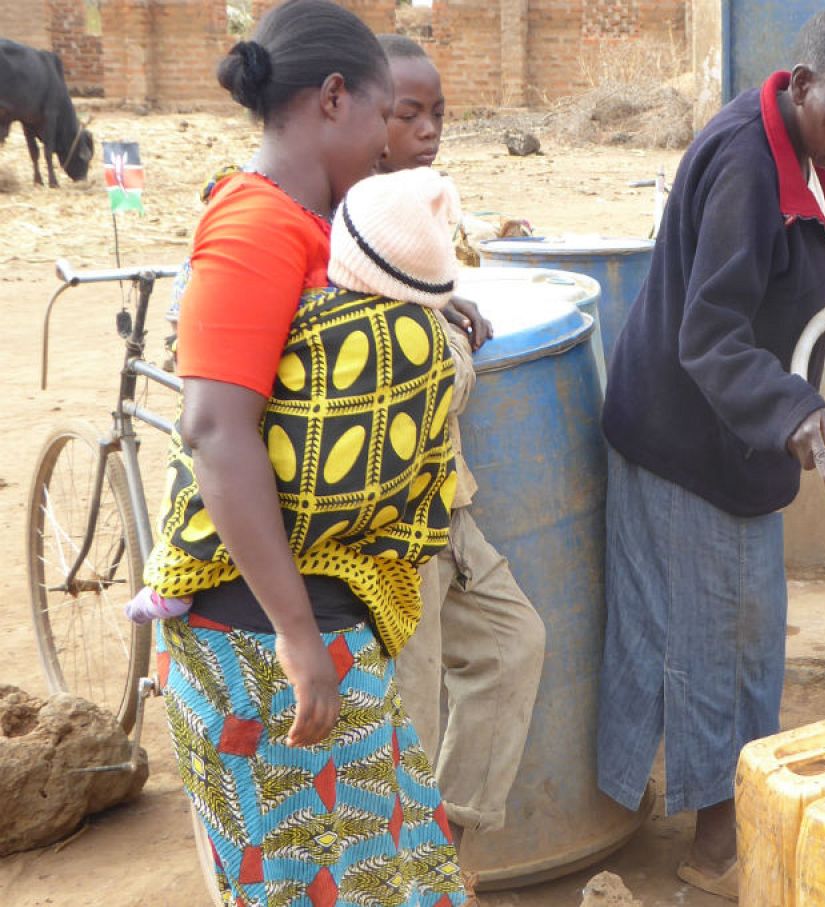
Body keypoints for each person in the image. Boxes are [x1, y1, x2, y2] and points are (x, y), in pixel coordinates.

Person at [144, 3, 468, 904]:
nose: (386, 142)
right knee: (318, 882)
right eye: (380, 115)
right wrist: (296, 635)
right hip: (253, 636)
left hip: (321, 616)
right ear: (333, 99)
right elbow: (216, 429)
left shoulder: (320, 225)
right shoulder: (255, 227)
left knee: (392, 871)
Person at [595, 7, 825, 899]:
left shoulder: (803, 154)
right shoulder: (743, 165)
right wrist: (789, 408)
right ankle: (715, 841)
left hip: (721, 437)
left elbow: (784, 270)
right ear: (801, 87)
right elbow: (711, 328)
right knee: (712, 638)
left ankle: (676, 806)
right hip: (687, 440)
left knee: (738, 629)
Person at [381, 33, 547, 890]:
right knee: (405, 715)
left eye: (438, 112)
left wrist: (451, 296)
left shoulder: (422, 221)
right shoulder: (347, 230)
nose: (427, 129)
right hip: (393, 532)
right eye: (408, 113)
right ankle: (417, 871)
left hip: (449, 504)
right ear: (367, 114)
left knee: (514, 646)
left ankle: (445, 840)